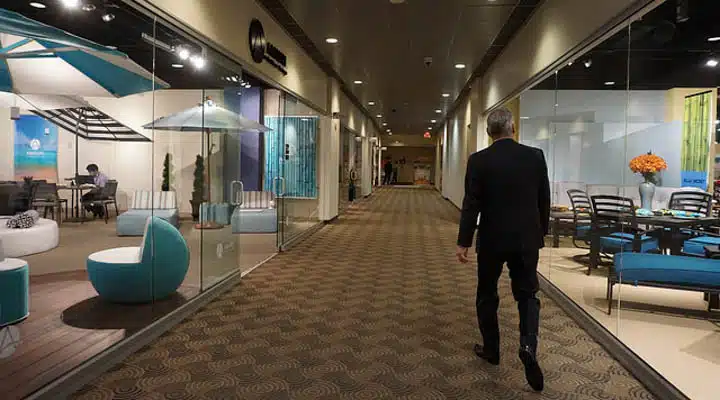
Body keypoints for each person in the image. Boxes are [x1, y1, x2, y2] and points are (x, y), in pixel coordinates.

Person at [455, 107, 550, 392]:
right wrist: (539, 233)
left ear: (488, 132)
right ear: (513, 128)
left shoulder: (479, 161)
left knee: (487, 292)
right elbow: (543, 199)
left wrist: (464, 241)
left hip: (493, 238)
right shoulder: (535, 157)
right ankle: (527, 346)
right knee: (527, 295)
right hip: (525, 239)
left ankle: (491, 349)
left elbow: (471, 203)